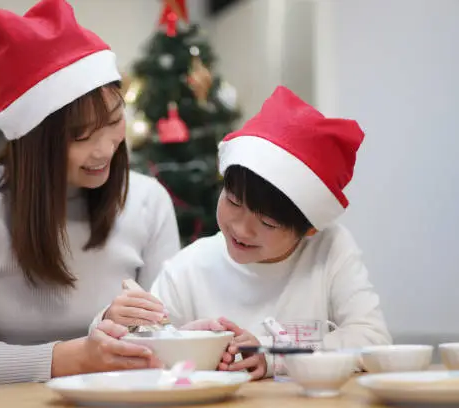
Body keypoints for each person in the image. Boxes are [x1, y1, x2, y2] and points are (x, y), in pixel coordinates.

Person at [0, 0, 180, 387]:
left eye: (112, 122)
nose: (104, 149)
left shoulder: (147, 201)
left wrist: (127, 331)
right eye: (78, 137)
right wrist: (84, 355)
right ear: (34, 143)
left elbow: (168, 337)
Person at [98, 86, 392, 379]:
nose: (240, 228)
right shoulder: (188, 268)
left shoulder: (330, 250)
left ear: (310, 228)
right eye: (233, 201)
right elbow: (136, 348)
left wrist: (274, 355)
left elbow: (373, 339)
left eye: (267, 223)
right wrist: (116, 321)